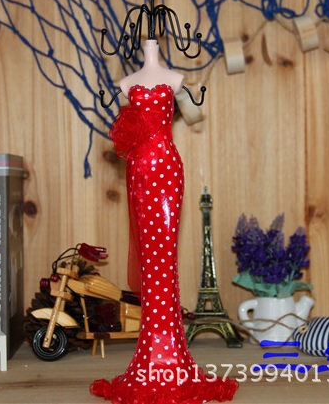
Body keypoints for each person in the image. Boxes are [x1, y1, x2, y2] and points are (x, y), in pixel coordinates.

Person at [90, 40, 238, 403]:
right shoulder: (127, 83)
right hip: (140, 171)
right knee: (149, 258)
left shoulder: (175, 78)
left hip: (168, 169)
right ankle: (153, 354)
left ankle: (169, 354)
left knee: (165, 260)